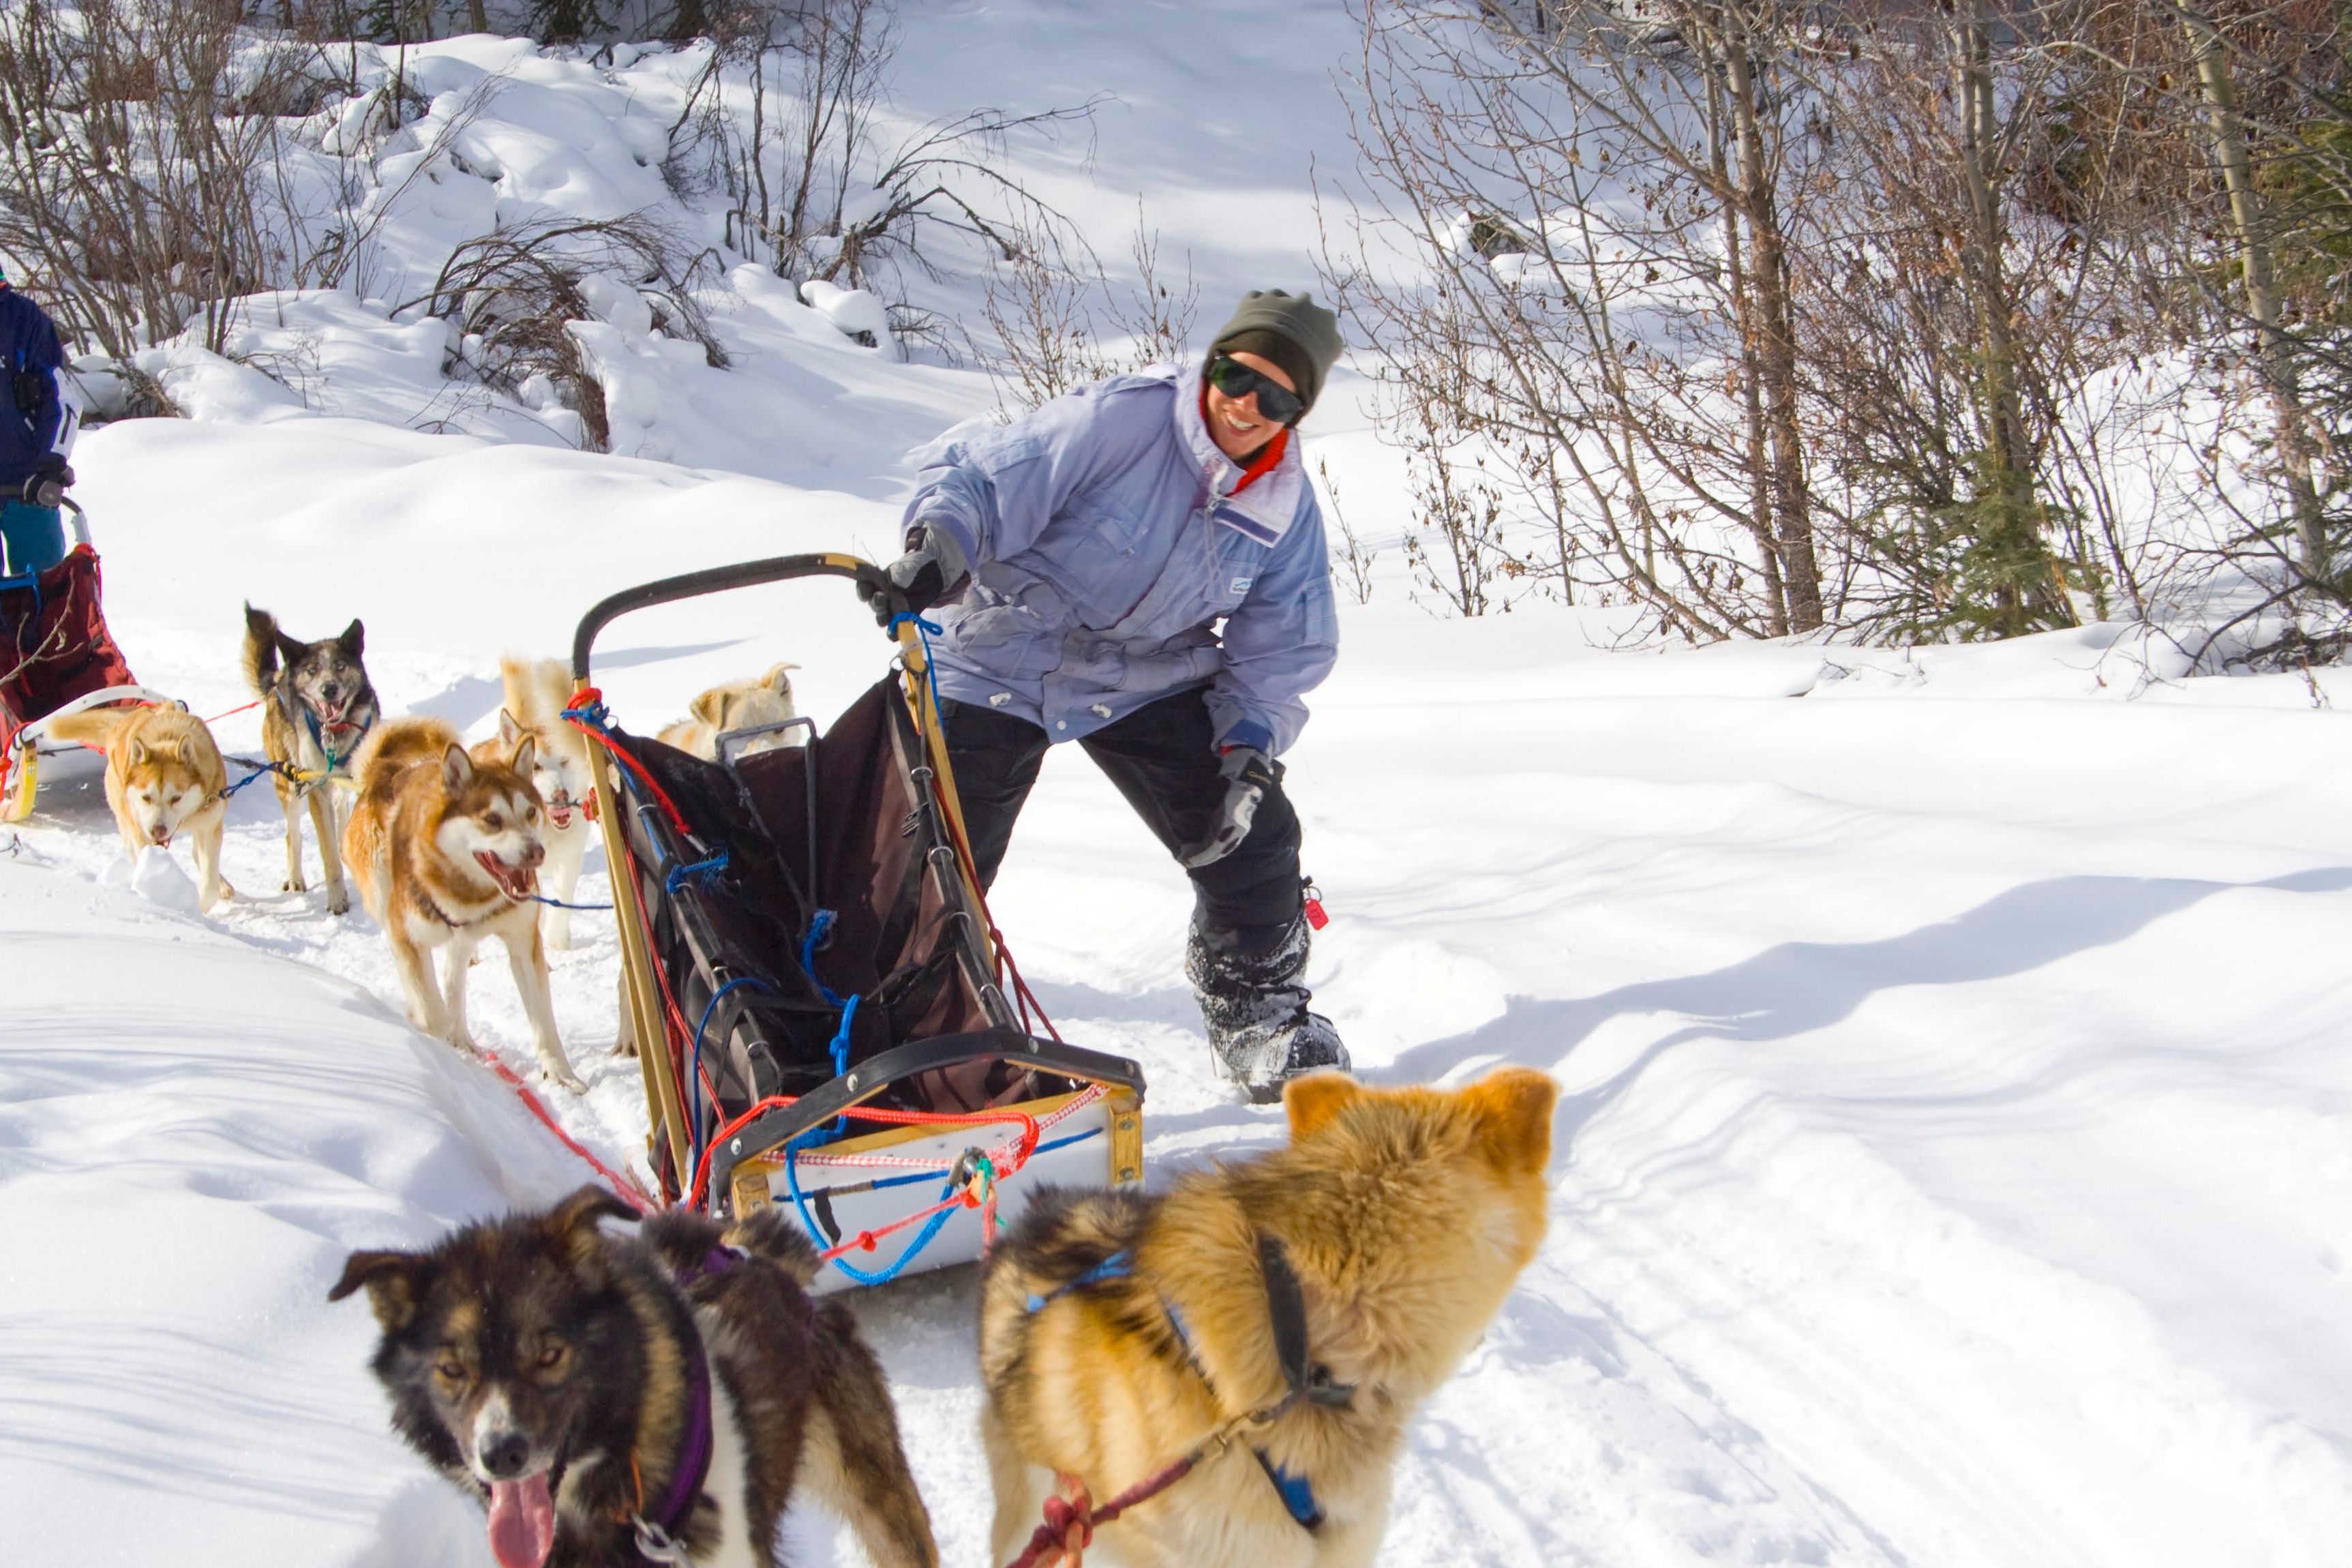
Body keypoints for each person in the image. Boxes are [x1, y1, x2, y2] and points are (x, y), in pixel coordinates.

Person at [869, 288, 1348, 1100]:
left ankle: (1259, 1017)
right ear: (1215, 363)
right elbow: (986, 486)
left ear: (1297, 411)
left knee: (1254, 834)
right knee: (936, 848)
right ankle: (898, 1037)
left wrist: (1247, 743)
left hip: (1144, 673)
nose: (1245, 404)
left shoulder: (1283, 508)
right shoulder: (1124, 420)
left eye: (1276, 396)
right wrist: (939, 547)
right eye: (1236, 374)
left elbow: (1282, 642)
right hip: (1003, 652)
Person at [0, 269, 80, 579]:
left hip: (28, 483)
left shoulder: (24, 320)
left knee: (46, 592)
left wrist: (49, 465)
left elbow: (63, 399)